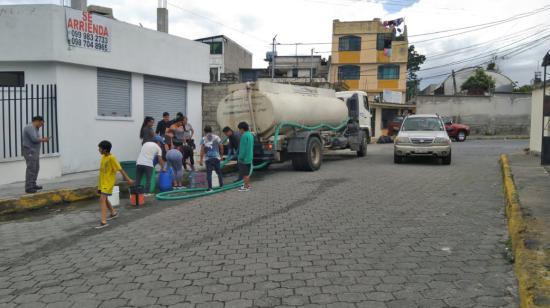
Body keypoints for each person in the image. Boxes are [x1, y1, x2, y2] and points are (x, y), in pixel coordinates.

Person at [97, 140, 134, 229]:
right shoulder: (103, 157)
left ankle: (103, 221)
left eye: (100, 148)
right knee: (104, 200)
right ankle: (113, 213)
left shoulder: (112, 158)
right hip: (102, 182)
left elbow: (120, 169)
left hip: (108, 183)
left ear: (105, 150)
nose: (99, 150)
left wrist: (128, 179)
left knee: (102, 199)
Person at [22, 116, 49, 193]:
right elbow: (34, 139)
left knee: (36, 168)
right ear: (37, 121)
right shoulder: (30, 127)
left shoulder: (35, 128)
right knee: (31, 168)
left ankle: (33, 184)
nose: (41, 125)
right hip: (29, 151)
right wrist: (44, 139)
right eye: (41, 123)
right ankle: (29, 187)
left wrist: (42, 139)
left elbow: (37, 138)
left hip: (34, 151)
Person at [199, 125, 224, 192]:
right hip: (216, 157)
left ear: (204, 131)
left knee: (209, 174)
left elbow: (202, 150)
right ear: (211, 130)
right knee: (219, 172)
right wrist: (221, 156)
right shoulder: (217, 137)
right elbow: (221, 147)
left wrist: (201, 160)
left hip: (208, 159)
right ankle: (221, 186)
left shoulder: (203, 139)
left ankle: (210, 188)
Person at [237, 121, 254, 192]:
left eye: (239, 129)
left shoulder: (244, 136)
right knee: (247, 173)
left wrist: (240, 157)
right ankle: (247, 185)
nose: (239, 131)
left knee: (245, 174)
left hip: (244, 158)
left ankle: (246, 187)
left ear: (242, 129)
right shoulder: (250, 135)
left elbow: (243, 149)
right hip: (250, 156)